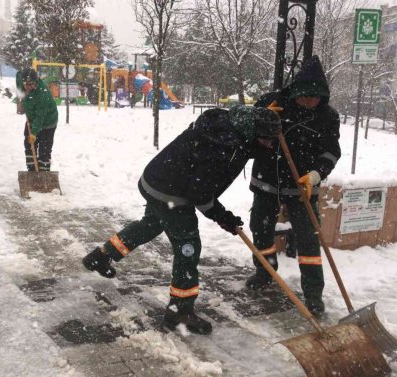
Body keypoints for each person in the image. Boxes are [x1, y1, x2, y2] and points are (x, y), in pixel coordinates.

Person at [82, 105, 282, 335]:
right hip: (171, 192)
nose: (270, 145)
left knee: (151, 225)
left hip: (156, 179)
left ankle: (101, 256)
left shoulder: (231, 126)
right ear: (253, 135)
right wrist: (222, 217)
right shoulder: (225, 146)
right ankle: (179, 312)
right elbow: (200, 193)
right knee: (188, 246)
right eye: (267, 140)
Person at [246, 55, 341, 315]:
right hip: (267, 181)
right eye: (305, 96)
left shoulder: (328, 116)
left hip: (303, 187)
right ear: (296, 91)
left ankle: (313, 294)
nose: (311, 102)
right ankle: (265, 272)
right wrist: (262, 119)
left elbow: (332, 151)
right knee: (261, 231)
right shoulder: (273, 102)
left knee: (309, 242)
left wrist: (316, 174)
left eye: (316, 97)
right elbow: (247, 128)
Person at [15, 68, 58, 171]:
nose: (29, 87)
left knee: (44, 148)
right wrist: (20, 100)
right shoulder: (22, 83)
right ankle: (32, 169)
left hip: (48, 122)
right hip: (32, 119)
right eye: (26, 84)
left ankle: (44, 171)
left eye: (32, 84)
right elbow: (18, 75)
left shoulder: (42, 94)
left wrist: (34, 133)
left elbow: (40, 117)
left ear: (36, 81)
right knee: (29, 145)